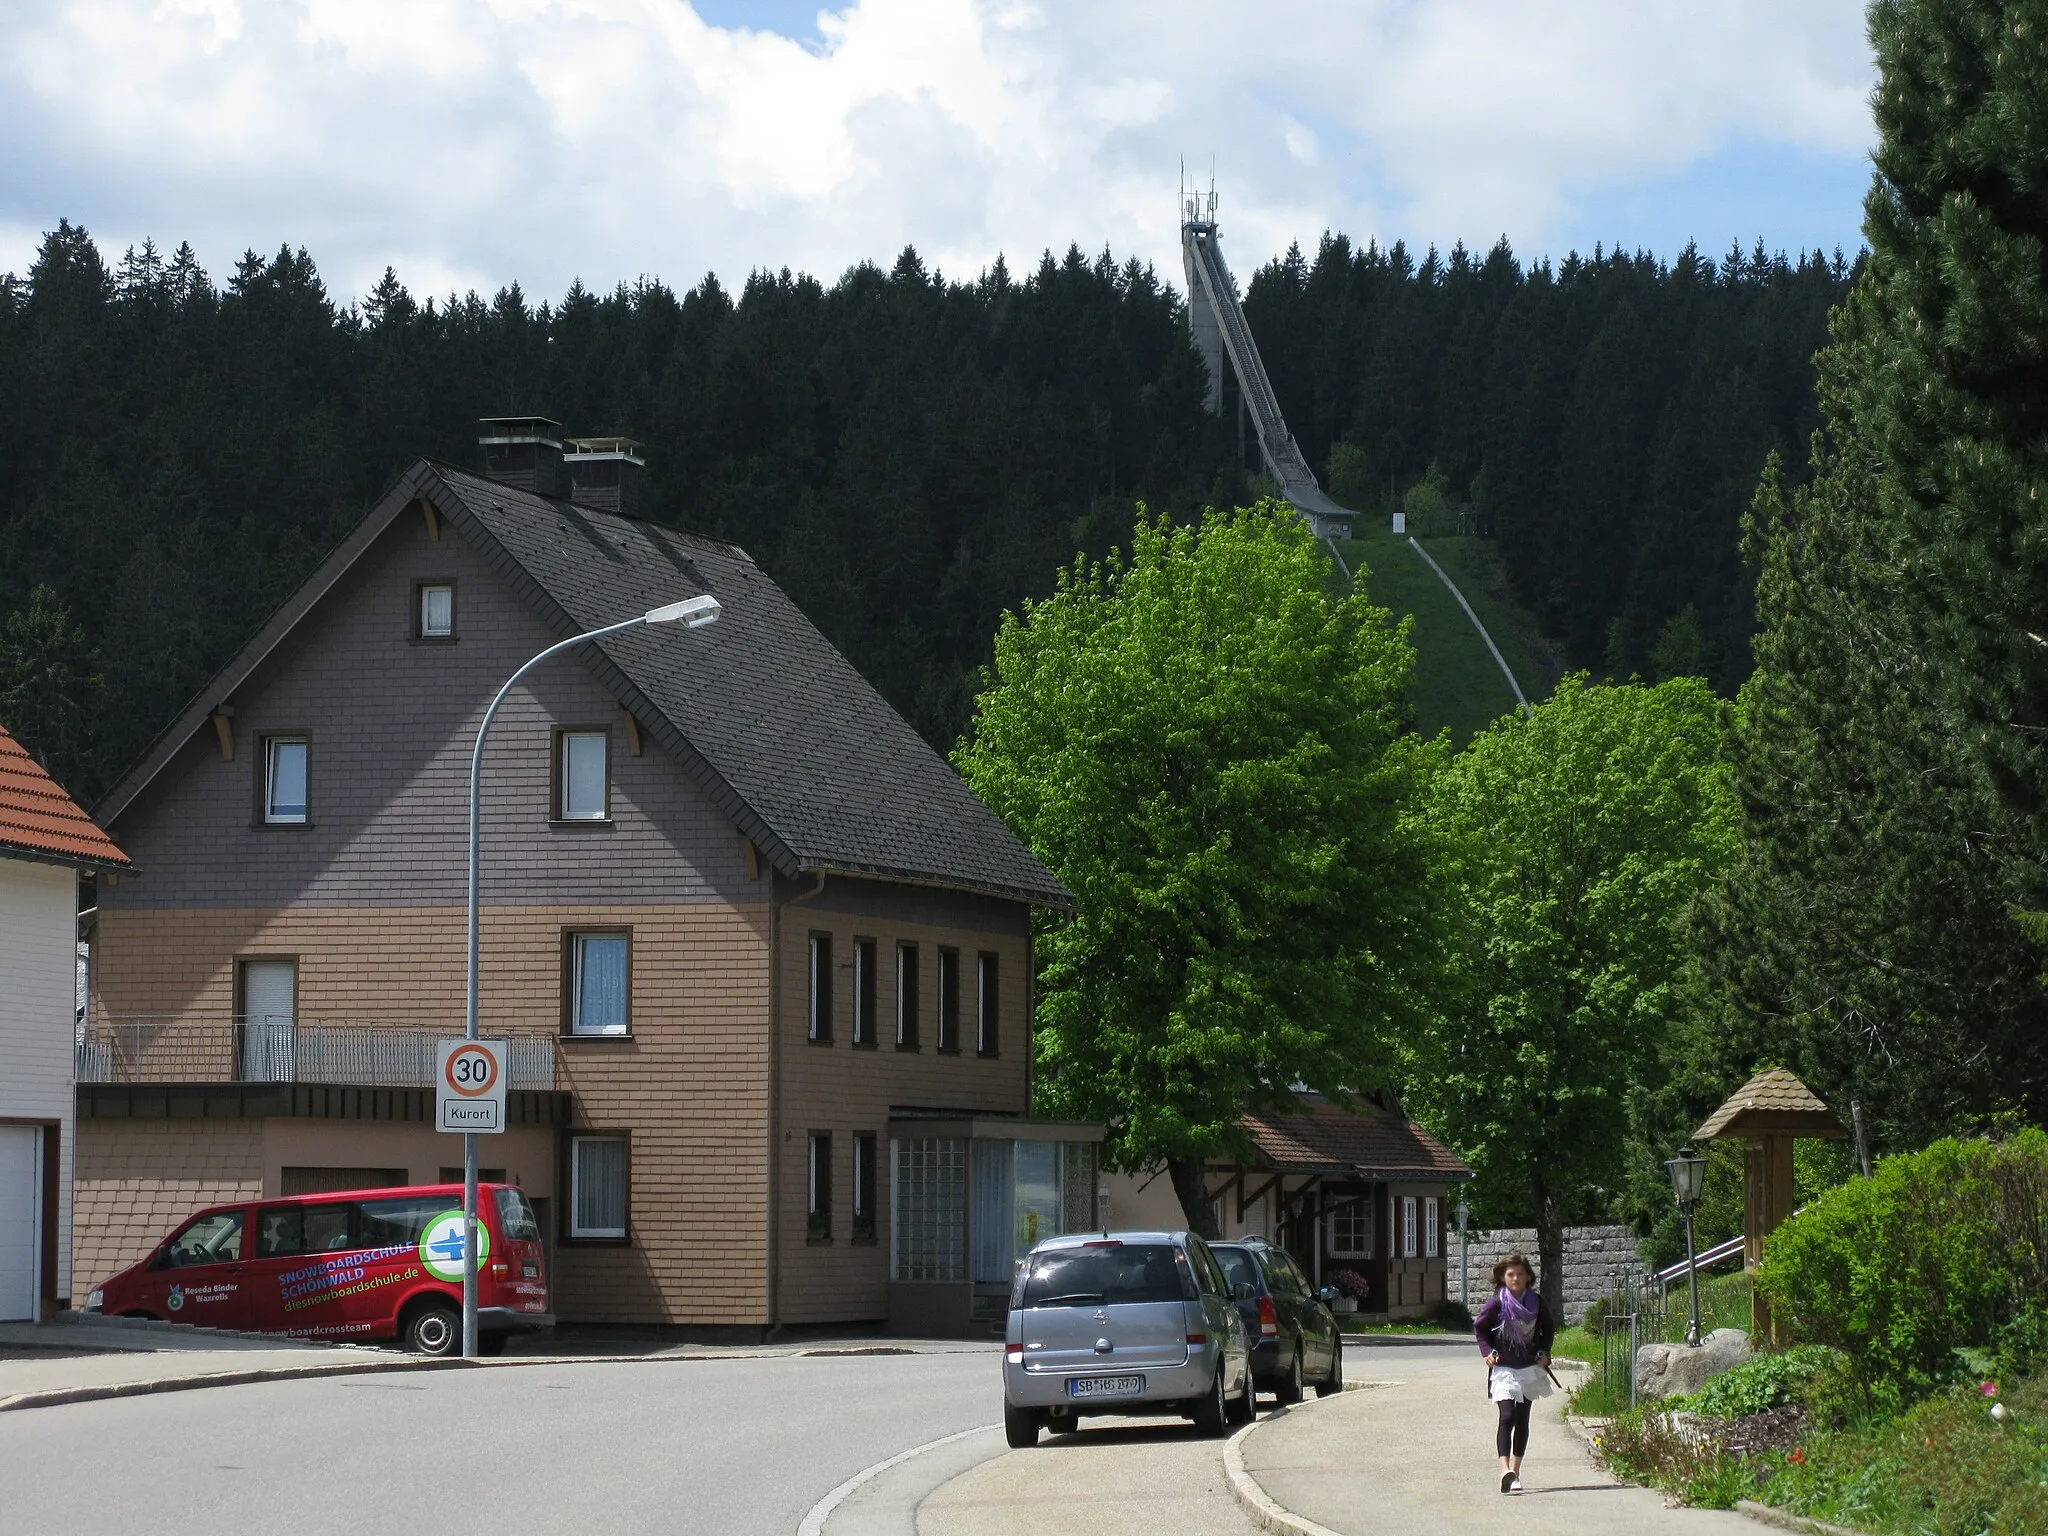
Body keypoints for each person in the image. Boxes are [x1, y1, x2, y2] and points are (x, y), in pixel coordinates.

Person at [1472, 1253, 1555, 1493]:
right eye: (1510, 1274)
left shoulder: (1537, 1302)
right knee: (1506, 1415)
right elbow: (1480, 1328)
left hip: (1529, 1367)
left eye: (1519, 1274)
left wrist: (1545, 1351)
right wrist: (1487, 1352)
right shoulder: (1496, 1302)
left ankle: (1516, 1473)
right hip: (1504, 1368)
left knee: (1522, 1419)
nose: (1515, 1278)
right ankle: (1504, 1470)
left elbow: (1548, 1328)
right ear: (1503, 1278)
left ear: (1528, 1277)